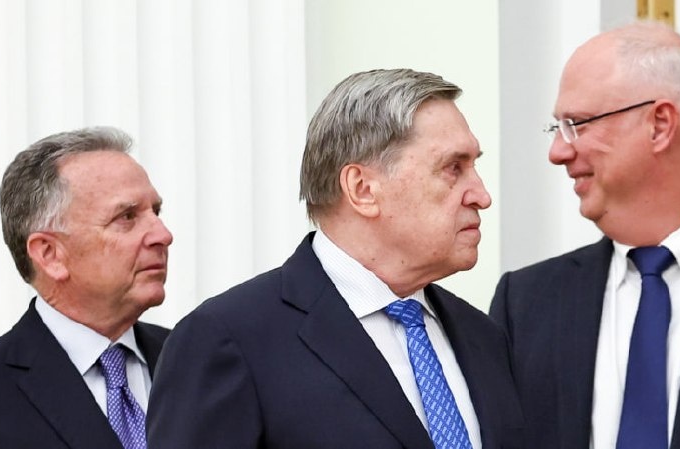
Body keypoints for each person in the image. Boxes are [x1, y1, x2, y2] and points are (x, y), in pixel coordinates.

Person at [147, 68, 523, 448]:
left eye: (474, 166)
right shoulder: (229, 340)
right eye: (453, 168)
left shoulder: (483, 336)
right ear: (362, 189)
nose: (481, 195)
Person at [490, 21, 680, 449]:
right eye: (557, 128)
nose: (558, 151)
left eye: (577, 123)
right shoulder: (526, 303)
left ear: (659, 125)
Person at [0, 127, 174, 449]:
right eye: (127, 216)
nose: (163, 235)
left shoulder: (194, 358)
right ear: (50, 254)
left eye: (156, 212)